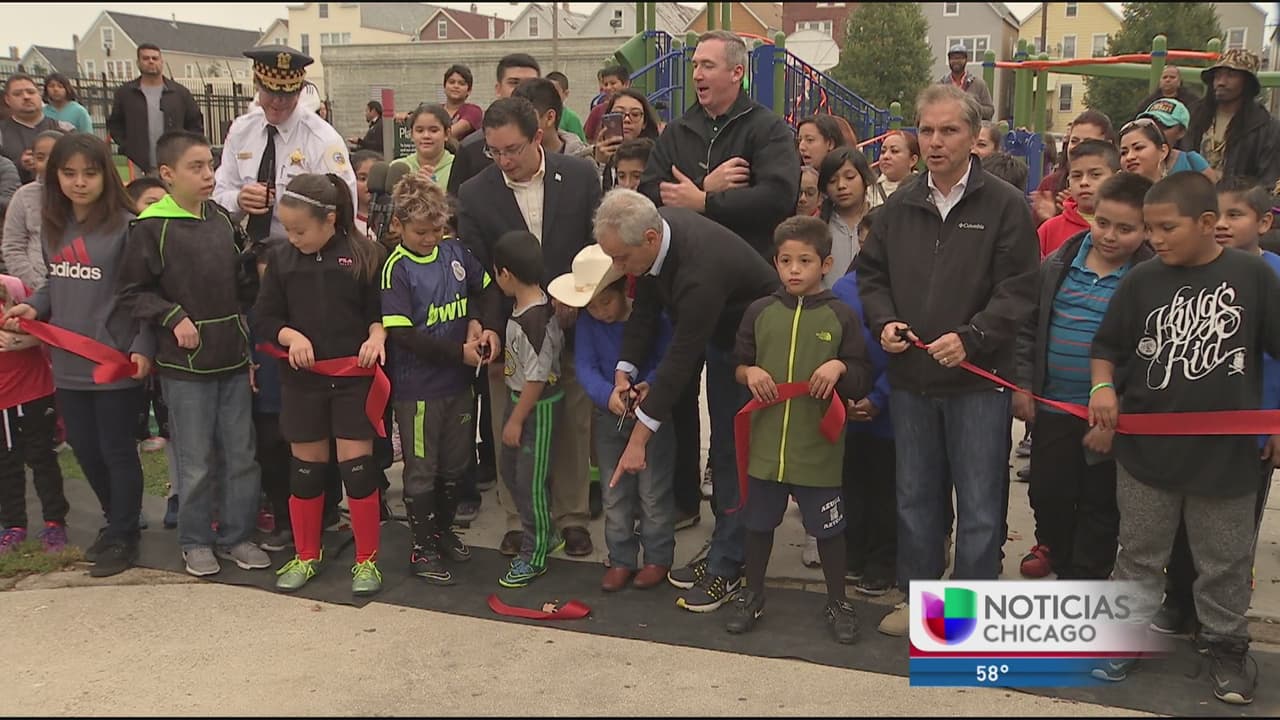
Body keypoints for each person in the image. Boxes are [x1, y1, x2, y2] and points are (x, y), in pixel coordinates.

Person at [1088, 172, 1280, 705]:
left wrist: (1273, 419)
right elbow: (1106, 347)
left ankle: (1226, 647)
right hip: (1148, 452)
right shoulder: (1141, 280)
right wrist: (1102, 388)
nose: (1156, 239)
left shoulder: (1253, 276)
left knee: (1225, 559)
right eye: (1150, 228)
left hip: (1226, 456)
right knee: (1139, 552)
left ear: (1207, 223)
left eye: (1167, 228)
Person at [857, 84, 1038, 636]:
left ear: (974, 136)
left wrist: (974, 337)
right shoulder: (899, 205)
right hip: (912, 380)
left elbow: (1020, 288)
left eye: (949, 130)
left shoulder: (1005, 205)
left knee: (980, 505)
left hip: (977, 384)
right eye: (927, 130)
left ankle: (967, 614)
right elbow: (871, 276)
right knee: (915, 499)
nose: (935, 141)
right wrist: (884, 320)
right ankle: (921, 604)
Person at [595, 188, 779, 613]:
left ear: (650, 239)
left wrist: (638, 439)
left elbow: (680, 358)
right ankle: (725, 545)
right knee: (724, 451)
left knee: (736, 453)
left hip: (755, 349)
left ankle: (731, 564)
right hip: (720, 336)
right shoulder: (653, 233)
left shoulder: (700, 271)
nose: (617, 268)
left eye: (621, 258)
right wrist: (626, 369)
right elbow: (645, 308)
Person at [456, 96, 602, 558]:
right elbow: (479, 271)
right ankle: (519, 518)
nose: (504, 161)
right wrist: (489, 328)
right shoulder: (476, 193)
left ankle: (572, 516)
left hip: (571, 320)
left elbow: (596, 247)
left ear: (538, 136)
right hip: (510, 329)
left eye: (513, 150)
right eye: (494, 151)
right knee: (511, 423)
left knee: (573, 423)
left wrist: (578, 293)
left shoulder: (579, 177)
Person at [116, 130, 267, 577]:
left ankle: (237, 536)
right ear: (167, 174)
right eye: (196, 167)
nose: (208, 175)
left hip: (233, 359)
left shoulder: (222, 219)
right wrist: (173, 316)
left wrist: (255, 278)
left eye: (210, 166)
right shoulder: (150, 227)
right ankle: (196, 540)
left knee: (241, 456)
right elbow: (131, 293)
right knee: (196, 460)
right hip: (184, 368)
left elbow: (241, 289)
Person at [3, 133, 154, 578]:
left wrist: (143, 346)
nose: (79, 182)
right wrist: (35, 306)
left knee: (116, 450)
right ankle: (115, 518)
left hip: (114, 362)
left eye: (89, 173)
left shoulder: (129, 227)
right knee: (85, 450)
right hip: (67, 363)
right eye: (69, 174)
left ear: (106, 175)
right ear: (55, 177)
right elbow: (54, 281)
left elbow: (145, 294)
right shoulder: (55, 224)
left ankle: (125, 533)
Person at [725, 214, 871, 643]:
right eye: (785, 260)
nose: (793, 270)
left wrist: (839, 366)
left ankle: (838, 600)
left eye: (804, 261)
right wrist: (749, 373)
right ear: (775, 262)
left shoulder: (841, 315)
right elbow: (738, 364)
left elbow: (861, 376)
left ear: (825, 264)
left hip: (818, 447)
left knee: (829, 530)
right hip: (766, 445)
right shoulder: (760, 311)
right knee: (758, 525)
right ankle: (752, 594)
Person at [1150, 177, 1280, 644]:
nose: (1223, 224)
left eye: (1235, 215)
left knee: (1230, 534)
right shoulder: (1186, 271)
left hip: (1252, 431)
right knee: (1180, 523)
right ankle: (1178, 601)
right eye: (1217, 215)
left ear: (1264, 222)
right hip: (1189, 427)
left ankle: (1221, 620)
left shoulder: (1273, 276)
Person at [1013, 173, 1154, 581]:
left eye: (1125, 229)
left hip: (1109, 419)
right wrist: (1024, 385)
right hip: (1054, 409)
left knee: (1100, 505)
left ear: (1146, 230)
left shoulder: (1149, 280)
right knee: (1048, 493)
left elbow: (1149, 359)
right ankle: (1060, 560)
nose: (1109, 236)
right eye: (1102, 222)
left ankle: (1086, 581)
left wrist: (1116, 416)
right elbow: (1028, 327)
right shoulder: (1059, 264)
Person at [252, 173, 387, 597]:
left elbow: (379, 313)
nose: (293, 238)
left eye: (300, 230)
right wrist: (291, 337)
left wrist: (377, 336)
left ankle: (367, 560)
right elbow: (265, 318)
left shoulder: (365, 254)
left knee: (358, 470)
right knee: (306, 471)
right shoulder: (282, 259)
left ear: (330, 219)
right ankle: (307, 554)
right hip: (303, 381)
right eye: (288, 230)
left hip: (353, 379)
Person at [381, 172, 499, 585]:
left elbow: (487, 289)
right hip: (418, 390)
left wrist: (481, 324)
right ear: (398, 225)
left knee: (455, 466)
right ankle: (422, 548)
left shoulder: (455, 251)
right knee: (421, 469)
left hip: (459, 385)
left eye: (437, 230)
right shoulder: (396, 268)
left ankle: (443, 532)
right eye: (421, 232)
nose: (431, 239)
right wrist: (457, 353)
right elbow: (403, 335)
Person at [550, 245, 674, 591]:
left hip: (651, 417)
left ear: (623, 290)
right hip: (608, 417)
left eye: (605, 302)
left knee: (653, 492)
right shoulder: (588, 323)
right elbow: (585, 366)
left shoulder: (654, 319)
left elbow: (666, 361)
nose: (599, 311)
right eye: (590, 305)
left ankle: (657, 557)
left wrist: (649, 385)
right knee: (613, 492)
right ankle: (620, 558)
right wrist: (607, 395)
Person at [639, 31, 800, 260]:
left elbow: (778, 197)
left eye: (708, 66)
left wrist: (705, 202)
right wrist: (704, 185)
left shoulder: (768, 128)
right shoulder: (676, 131)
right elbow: (647, 193)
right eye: (695, 65)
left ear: (737, 73)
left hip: (747, 265)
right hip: (686, 264)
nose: (697, 75)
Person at [213, 46, 355, 243]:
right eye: (270, 91)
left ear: (299, 91)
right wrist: (238, 199)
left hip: (303, 251)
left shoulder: (322, 139)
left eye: (288, 94)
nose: (278, 101)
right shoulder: (241, 131)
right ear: (256, 85)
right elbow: (219, 195)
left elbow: (345, 208)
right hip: (251, 247)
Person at [490, 230, 564, 587]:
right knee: (511, 470)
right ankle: (545, 531)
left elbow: (537, 378)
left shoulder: (535, 319)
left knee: (531, 480)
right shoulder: (523, 308)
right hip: (517, 399)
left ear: (506, 274)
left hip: (537, 407)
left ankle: (535, 552)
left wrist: (517, 420)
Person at [832, 208, 897, 596]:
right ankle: (853, 553)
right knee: (851, 486)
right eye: (866, 241)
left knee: (887, 491)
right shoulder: (843, 288)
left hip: (892, 411)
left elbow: (910, 353)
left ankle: (884, 561)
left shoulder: (908, 287)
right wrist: (847, 396)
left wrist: (878, 397)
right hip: (850, 409)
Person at [0, 274, 66, 556]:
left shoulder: (13, 287)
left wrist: (23, 338)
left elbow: (51, 328)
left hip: (33, 391)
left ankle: (55, 522)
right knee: (6, 463)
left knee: (42, 457)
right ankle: (14, 525)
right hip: (3, 399)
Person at [1185, 50, 1280, 188]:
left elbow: (1268, 181)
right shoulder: (1194, 115)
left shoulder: (1266, 127)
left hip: (1237, 199)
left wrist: (1225, 185)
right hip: (1191, 194)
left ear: (1247, 82)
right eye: (1217, 75)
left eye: (1231, 75)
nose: (1221, 82)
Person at [447, 54, 541, 195]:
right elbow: (455, 203)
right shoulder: (472, 149)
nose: (522, 90)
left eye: (530, 84)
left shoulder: (561, 145)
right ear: (498, 89)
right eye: (514, 83)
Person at [105, 44, 203, 176]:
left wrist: (185, 148)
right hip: (137, 164)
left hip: (174, 163)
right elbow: (115, 124)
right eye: (146, 58)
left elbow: (195, 123)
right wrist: (127, 146)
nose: (151, 61)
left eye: (155, 58)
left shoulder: (179, 93)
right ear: (138, 62)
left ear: (161, 62)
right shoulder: (126, 93)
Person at [1038, 139, 1120, 259]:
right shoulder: (1049, 229)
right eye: (1076, 176)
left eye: (1095, 175)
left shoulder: (1130, 225)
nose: (1084, 182)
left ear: (1117, 178)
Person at [1032, 110, 1117, 225]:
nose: (1078, 147)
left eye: (1088, 142)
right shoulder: (1050, 184)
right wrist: (1056, 219)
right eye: (1074, 141)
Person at [2, 130, 60, 290]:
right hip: (33, 287)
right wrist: (38, 285)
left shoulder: (79, 194)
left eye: (55, 156)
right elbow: (12, 247)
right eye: (40, 157)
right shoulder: (24, 196)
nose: (48, 163)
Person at [817, 147, 875, 287]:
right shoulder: (817, 228)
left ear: (865, 179)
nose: (841, 186)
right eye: (832, 181)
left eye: (849, 177)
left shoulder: (881, 222)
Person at [1, 75, 74, 184]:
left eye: (31, 92)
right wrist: (19, 165)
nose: (26, 97)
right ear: (7, 99)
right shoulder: (1, 132)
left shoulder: (65, 129)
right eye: (18, 94)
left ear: (39, 94)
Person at [594, 89, 661, 191]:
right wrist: (600, 164)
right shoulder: (590, 157)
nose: (626, 119)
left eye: (635, 114)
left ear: (644, 122)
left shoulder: (658, 156)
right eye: (619, 113)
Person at [513, 77, 590, 159]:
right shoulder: (509, 159)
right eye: (513, 120)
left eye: (524, 120)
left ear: (550, 118)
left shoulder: (582, 161)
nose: (516, 127)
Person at [1119, 117, 1211, 184]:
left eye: (1138, 148)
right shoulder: (1116, 197)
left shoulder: (1183, 192)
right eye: (1123, 153)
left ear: (1163, 151)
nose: (1129, 157)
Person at [391, 103, 454, 190]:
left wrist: (435, 191)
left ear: (447, 134)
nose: (426, 136)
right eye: (420, 131)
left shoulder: (458, 167)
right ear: (411, 134)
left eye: (433, 130)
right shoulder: (398, 168)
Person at [940, 44, 994, 120]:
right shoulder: (941, 85)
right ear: (949, 61)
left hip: (971, 126)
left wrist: (971, 108)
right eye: (953, 58)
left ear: (966, 60)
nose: (956, 61)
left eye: (959, 58)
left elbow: (990, 111)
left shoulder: (979, 84)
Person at [867, 131, 919, 209]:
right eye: (883, 152)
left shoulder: (923, 189)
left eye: (894, 151)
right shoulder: (869, 191)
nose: (886, 156)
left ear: (913, 160)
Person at [583, 65, 630, 145]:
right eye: (605, 84)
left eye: (613, 83)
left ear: (626, 84)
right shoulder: (597, 111)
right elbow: (587, 138)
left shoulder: (638, 107)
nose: (608, 87)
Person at [1137, 64, 1201, 121]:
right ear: (1160, 82)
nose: (1168, 80)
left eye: (1172, 77)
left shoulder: (1192, 100)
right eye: (1164, 77)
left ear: (1179, 82)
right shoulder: (1150, 101)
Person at [442, 64, 484, 142]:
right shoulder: (435, 111)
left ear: (469, 90)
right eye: (451, 82)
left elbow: (451, 133)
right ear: (444, 87)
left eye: (461, 83)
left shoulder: (473, 111)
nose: (456, 86)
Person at [546, 71, 586, 143]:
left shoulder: (571, 118)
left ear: (566, 94)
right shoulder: (540, 115)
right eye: (547, 91)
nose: (551, 96)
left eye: (555, 92)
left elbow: (581, 145)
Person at [350, 149, 380, 240]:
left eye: (376, 178)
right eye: (363, 179)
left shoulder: (393, 218)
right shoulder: (348, 220)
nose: (370, 184)